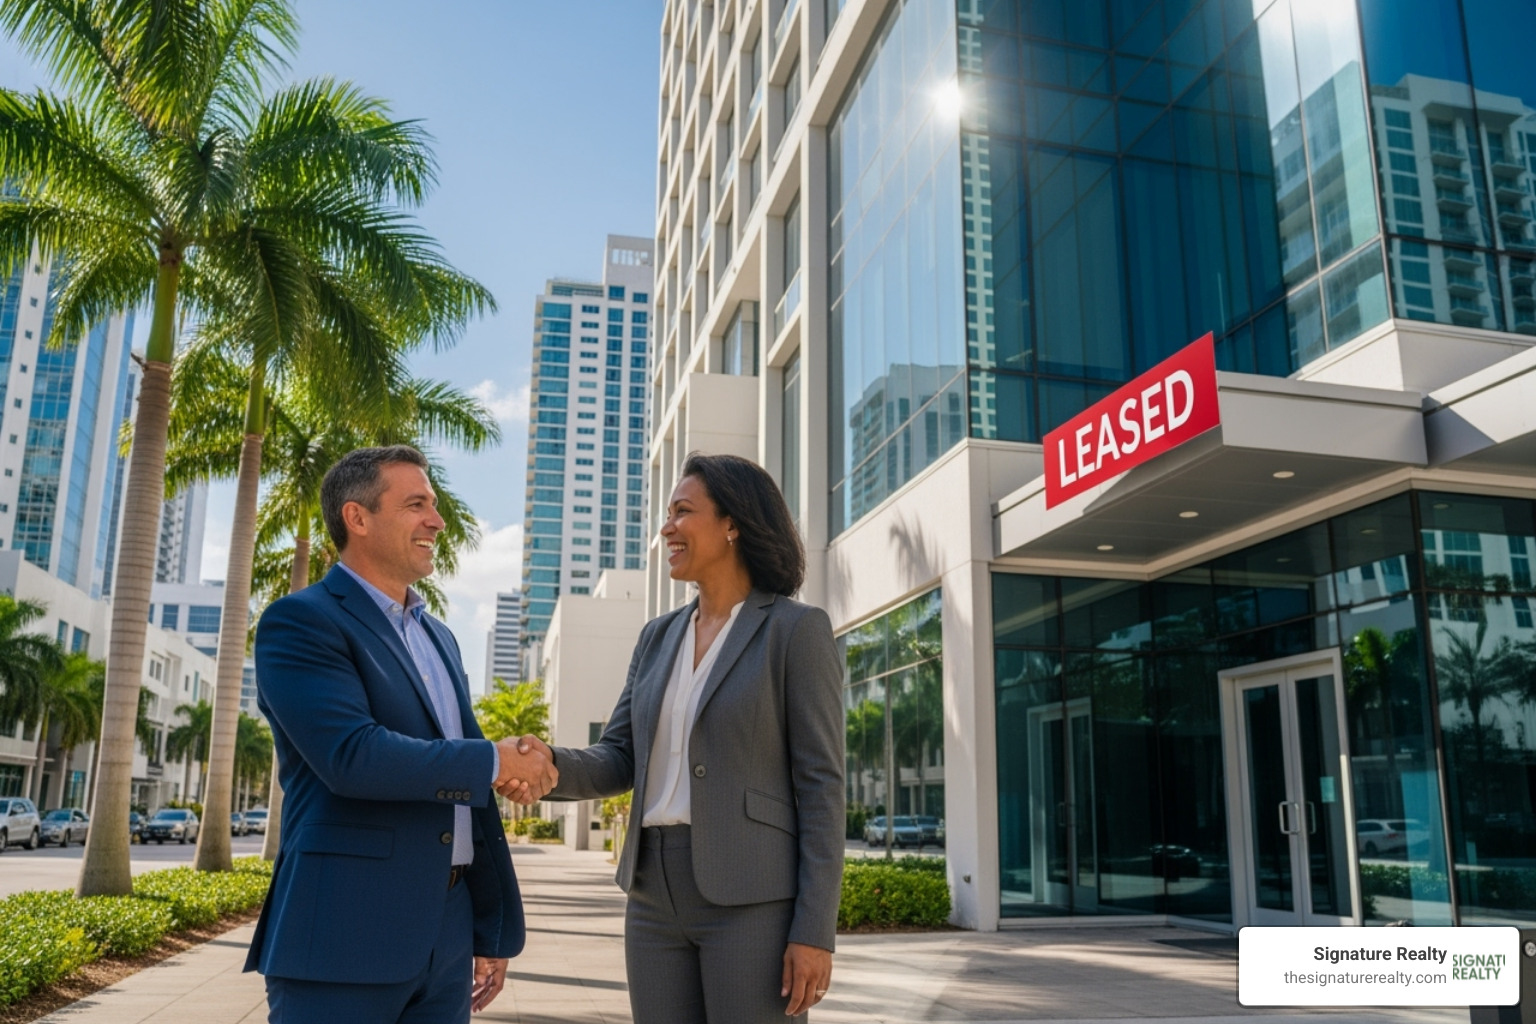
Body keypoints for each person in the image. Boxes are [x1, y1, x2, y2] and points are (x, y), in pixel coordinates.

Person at [519, 452, 845, 1023]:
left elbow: (822, 787)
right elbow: (620, 756)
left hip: (752, 898)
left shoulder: (794, 630)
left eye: (682, 511)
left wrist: (815, 931)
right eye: (667, 514)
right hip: (653, 895)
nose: (666, 527)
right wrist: (549, 765)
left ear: (732, 524)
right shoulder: (657, 636)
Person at [247, 445, 558, 1023]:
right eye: (416, 504)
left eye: (434, 505)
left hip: (448, 933)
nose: (437, 521)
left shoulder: (439, 636)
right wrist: (495, 761)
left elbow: (463, 787)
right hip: (343, 934)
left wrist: (486, 925)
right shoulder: (301, 620)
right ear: (357, 518)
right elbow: (352, 755)